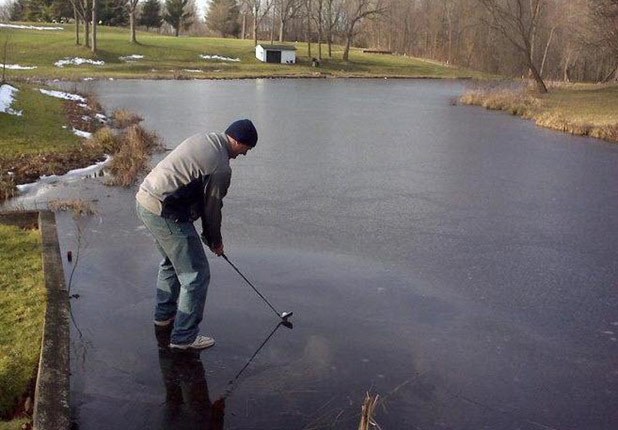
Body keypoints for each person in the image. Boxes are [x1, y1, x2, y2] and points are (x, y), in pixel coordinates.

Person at [136, 119, 258, 350]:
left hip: (144, 201)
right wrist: (215, 241)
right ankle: (184, 337)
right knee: (196, 274)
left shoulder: (207, 139)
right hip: (164, 210)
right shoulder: (221, 167)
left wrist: (207, 235)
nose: (244, 155)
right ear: (238, 141)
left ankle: (164, 318)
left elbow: (198, 195)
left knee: (171, 263)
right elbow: (212, 207)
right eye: (246, 149)